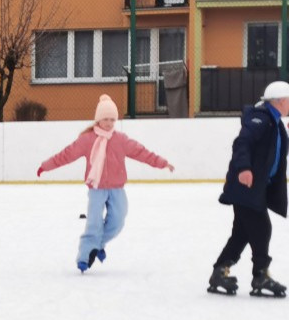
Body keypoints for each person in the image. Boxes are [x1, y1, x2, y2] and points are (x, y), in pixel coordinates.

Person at [37, 94, 174, 273]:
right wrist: (45, 166)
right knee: (93, 223)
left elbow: (142, 153)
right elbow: (66, 155)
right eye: (105, 119)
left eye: (112, 119)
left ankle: (98, 245)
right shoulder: (87, 140)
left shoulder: (121, 140)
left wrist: (162, 163)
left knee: (118, 221)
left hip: (117, 187)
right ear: (98, 119)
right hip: (96, 188)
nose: (109, 123)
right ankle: (84, 256)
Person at [208, 80, 289, 297]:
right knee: (262, 228)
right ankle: (260, 275)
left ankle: (220, 271)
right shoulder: (260, 118)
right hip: (245, 186)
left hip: (256, 187)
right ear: (281, 100)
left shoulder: (276, 122)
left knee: (242, 233)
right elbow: (242, 143)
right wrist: (244, 168)